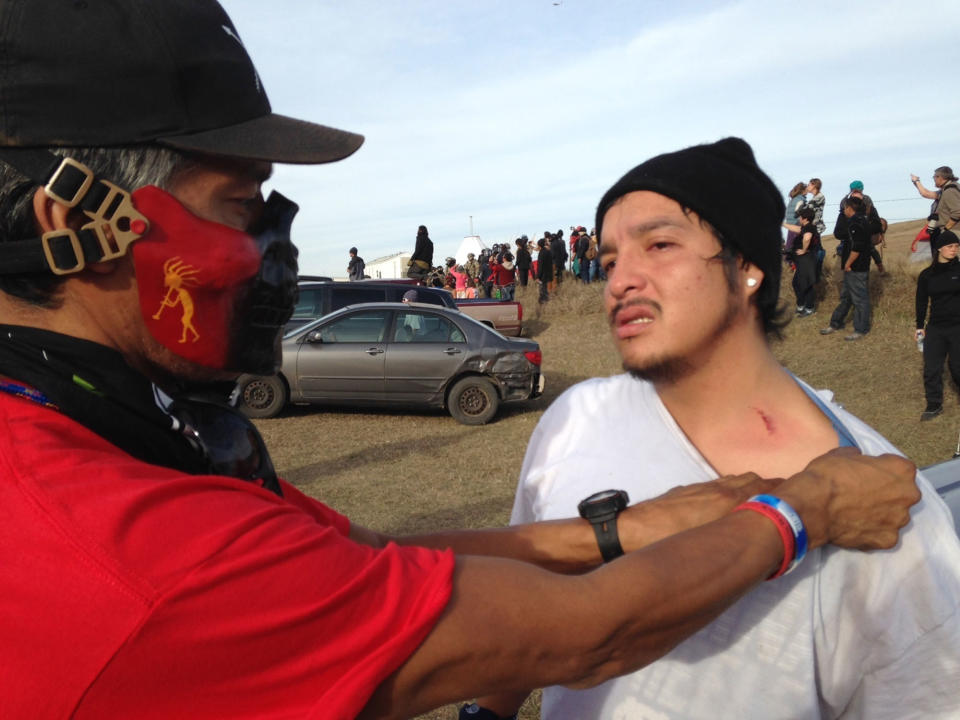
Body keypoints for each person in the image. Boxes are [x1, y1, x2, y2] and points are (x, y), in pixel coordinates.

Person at [0, 7, 921, 719]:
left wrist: (611, 536)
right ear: (73, 222)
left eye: (661, 245)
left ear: (751, 267)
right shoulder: (124, 549)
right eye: (241, 205)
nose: (275, 246)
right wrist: (806, 505)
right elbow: (583, 636)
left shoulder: (113, 427)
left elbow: (360, 558)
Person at [472, 138, 960, 720]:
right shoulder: (575, 417)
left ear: (748, 266)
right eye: (608, 262)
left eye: (659, 245)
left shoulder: (888, 510)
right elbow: (531, 582)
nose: (620, 280)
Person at [915, 230, 960, 421]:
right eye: (950, 246)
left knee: (957, 367)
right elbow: (921, 301)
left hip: (957, 326)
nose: (954, 249)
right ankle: (934, 405)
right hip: (935, 327)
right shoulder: (927, 275)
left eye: (957, 246)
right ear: (940, 249)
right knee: (931, 368)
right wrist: (919, 326)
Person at [821, 196, 873, 340]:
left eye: (845, 208)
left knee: (860, 299)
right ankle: (836, 323)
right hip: (855, 267)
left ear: (850, 208)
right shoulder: (863, 220)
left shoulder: (857, 223)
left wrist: (848, 263)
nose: (843, 211)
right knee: (846, 297)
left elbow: (857, 247)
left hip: (856, 267)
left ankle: (861, 329)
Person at [783, 207, 820, 315]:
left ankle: (809, 308)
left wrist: (804, 250)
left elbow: (807, 238)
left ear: (805, 218)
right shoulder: (807, 227)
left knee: (806, 284)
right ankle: (801, 305)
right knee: (797, 283)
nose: (799, 218)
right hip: (803, 260)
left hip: (806, 260)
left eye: (800, 216)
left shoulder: (809, 228)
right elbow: (796, 229)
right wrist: (782, 224)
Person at [912, 167, 960, 243]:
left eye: (934, 177)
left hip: (951, 232)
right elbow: (925, 193)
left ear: (940, 177)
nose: (934, 179)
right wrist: (916, 182)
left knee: (949, 254)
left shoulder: (950, 190)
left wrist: (945, 230)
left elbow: (957, 213)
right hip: (948, 231)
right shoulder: (946, 189)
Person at [783, 181, 807, 251]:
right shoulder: (800, 201)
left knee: (790, 247)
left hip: (790, 227)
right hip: (797, 227)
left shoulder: (793, 200)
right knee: (796, 249)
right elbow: (798, 213)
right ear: (802, 191)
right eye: (806, 190)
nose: (807, 192)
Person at [536, 236, 553, 303]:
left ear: (539, 245)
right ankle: (545, 300)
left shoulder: (541, 253)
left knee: (542, 289)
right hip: (548, 272)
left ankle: (543, 301)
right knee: (544, 287)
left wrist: (538, 276)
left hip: (543, 274)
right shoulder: (548, 251)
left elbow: (540, 265)